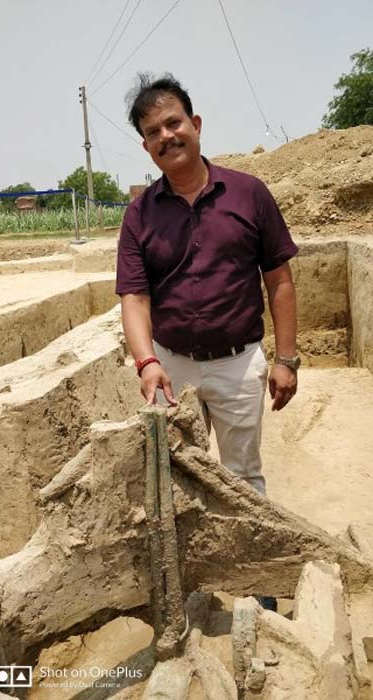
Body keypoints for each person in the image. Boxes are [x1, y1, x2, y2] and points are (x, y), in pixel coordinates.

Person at [116, 73, 299, 498]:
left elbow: (279, 280)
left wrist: (287, 359)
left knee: (243, 477)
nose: (166, 135)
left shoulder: (249, 194)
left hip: (238, 365)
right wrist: (146, 363)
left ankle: (248, 562)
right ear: (146, 146)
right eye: (153, 132)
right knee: (174, 476)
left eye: (173, 123)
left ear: (195, 124)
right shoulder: (139, 215)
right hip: (170, 369)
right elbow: (134, 297)